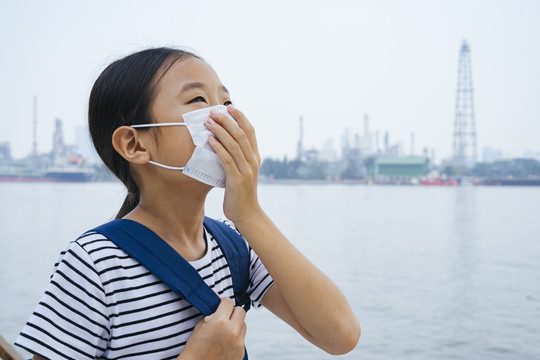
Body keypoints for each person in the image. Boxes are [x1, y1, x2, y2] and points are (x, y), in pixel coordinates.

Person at [15, 47, 360, 359]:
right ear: (134, 144)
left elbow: (339, 335)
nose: (225, 117)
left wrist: (249, 213)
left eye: (226, 103)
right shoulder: (95, 262)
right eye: (198, 100)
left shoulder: (234, 247)